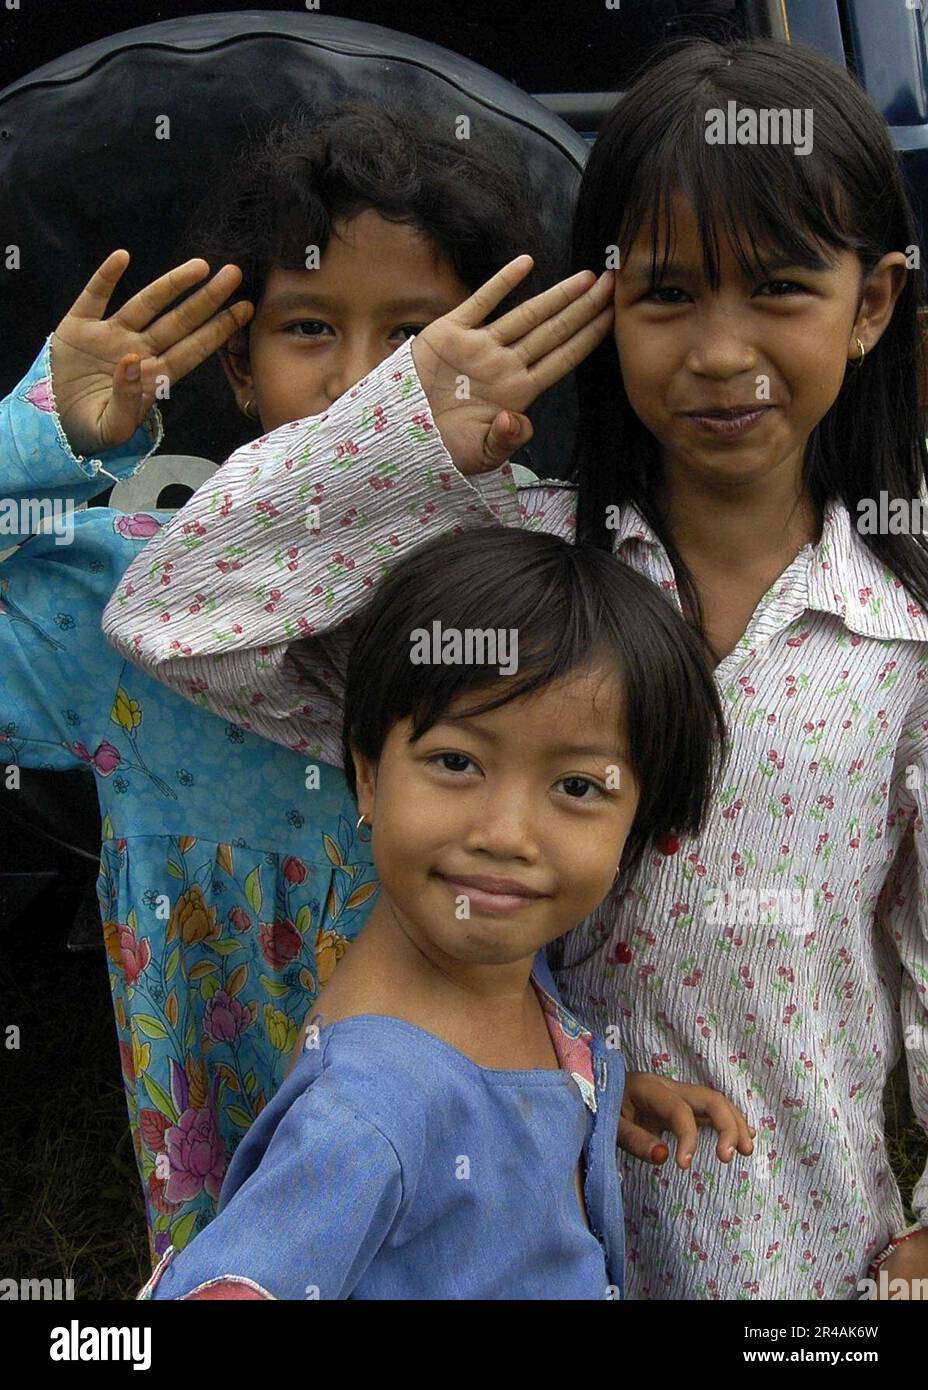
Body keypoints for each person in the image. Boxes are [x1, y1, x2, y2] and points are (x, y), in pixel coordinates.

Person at [105, 38, 928, 1299]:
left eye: (776, 288)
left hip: (792, 1244)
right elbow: (177, 614)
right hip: (508, 1211)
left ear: (871, 303)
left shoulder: (902, 641)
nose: (717, 350)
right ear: (598, 304)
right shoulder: (504, 564)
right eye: (664, 295)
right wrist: (395, 425)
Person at [0, 100, 594, 1266]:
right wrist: (39, 437)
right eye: (311, 328)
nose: (359, 384)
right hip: (238, 1186)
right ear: (237, 362)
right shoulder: (145, 593)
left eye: (413, 339)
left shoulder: (548, 591)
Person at [139, 525, 755, 1299]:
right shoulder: (368, 1116)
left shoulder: (494, 956)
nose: (505, 836)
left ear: (639, 817)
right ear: (367, 775)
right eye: (457, 762)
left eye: (577, 787)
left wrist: (584, 1094)